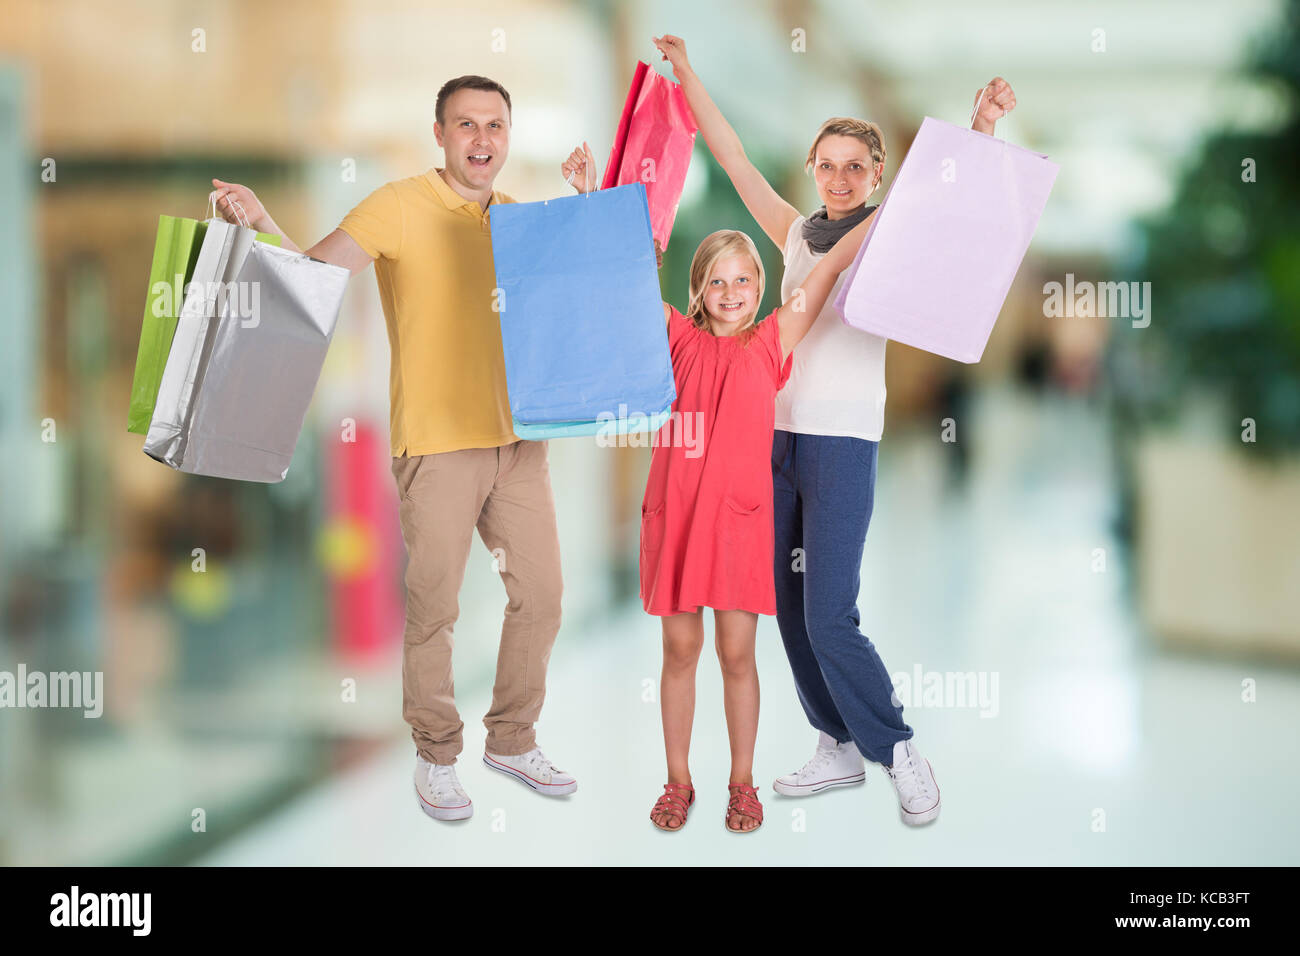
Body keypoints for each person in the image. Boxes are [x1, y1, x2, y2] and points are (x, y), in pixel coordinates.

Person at [209, 75, 600, 822]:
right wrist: (260, 219)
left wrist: (584, 212)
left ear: (508, 137)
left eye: (495, 126)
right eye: (466, 125)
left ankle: (512, 738)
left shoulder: (520, 219)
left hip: (519, 444)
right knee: (435, 609)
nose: (482, 140)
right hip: (438, 445)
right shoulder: (397, 205)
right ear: (440, 133)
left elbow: (581, 305)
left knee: (543, 596)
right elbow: (313, 282)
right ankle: (436, 755)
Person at [653, 34, 1017, 826]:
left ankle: (897, 749)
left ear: (878, 175)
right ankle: (835, 744)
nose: (841, 176)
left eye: (858, 165)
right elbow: (736, 156)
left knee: (829, 615)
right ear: (813, 169)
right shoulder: (791, 234)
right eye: (828, 163)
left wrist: (980, 128)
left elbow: (955, 211)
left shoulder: (889, 229)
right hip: (771, 442)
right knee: (784, 607)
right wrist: (689, 73)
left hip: (844, 442)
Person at [642, 216, 873, 834]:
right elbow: (625, 280)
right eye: (717, 281)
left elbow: (825, 271)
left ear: (760, 285)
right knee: (679, 648)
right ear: (697, 289)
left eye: (744, 279)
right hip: (680, 514)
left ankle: (741, 783)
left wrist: (882, 216)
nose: (731, 292)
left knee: (737, 652)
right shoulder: (675, 338)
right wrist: (590, 198)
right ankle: (677, 780)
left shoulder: (772, 341)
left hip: (738, 523)